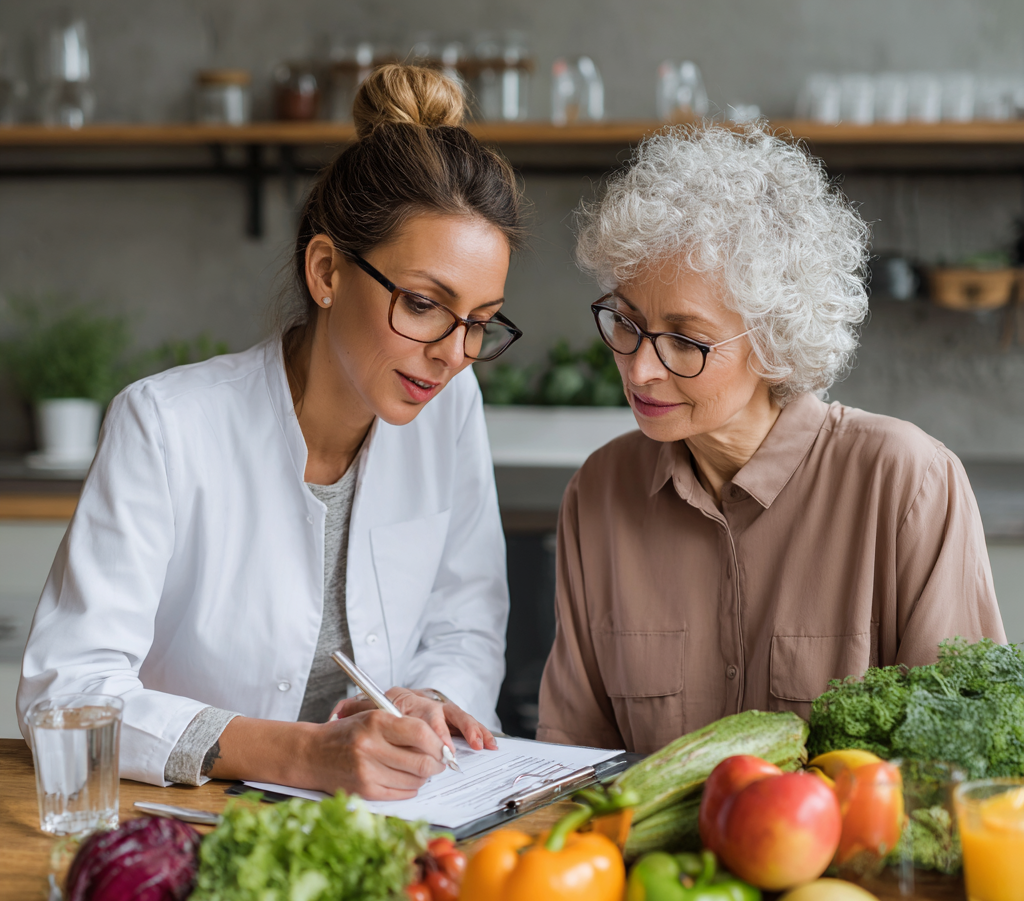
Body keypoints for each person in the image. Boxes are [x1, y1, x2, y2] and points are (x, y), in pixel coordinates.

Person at [18, 64, 525, 799]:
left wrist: (434, 700)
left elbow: (465, 625)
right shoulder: (164, 425)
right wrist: (301, 754)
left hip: (390, 828)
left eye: (479, 323)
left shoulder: (451, 405)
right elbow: (67, 694)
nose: (452, 352)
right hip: (190, 824)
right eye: (422, 304)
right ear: (327, 271)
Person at [536, 123, 1005, 755]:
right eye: (627, 322)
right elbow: (572, 761)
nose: (640, 368)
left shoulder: (906, 483)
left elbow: (961, 762)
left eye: (685, 339)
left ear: (775, 343)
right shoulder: (597, 493)